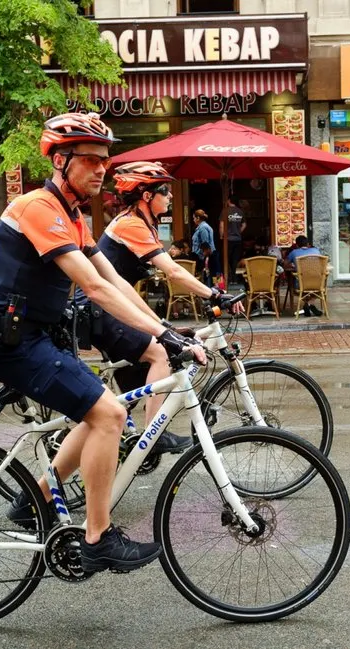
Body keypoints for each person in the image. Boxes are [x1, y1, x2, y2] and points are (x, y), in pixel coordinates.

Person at [0, 112, 204, 574]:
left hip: (35, 335)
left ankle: (34, 497)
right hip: (11, 340)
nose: (102, 169)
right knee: (110, 415)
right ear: (60, 160)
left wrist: (167, 332)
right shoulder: (37, 207)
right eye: (91, 160)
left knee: (99, 408)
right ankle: (98, 538)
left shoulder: (71, 215)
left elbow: (113, 279)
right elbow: (94, 289)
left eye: (105, 160)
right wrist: (160, 336)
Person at [77, 160, 239, 451]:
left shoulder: (141, 224)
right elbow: (173, 271)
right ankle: (153, 435)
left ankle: (118, 435)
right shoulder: (130, 224)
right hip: (99, 310)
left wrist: (162, 324)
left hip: (114, 306)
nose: (172, 196)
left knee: (149, 364)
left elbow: (127, 290)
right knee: (160, 353)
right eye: (165, 191)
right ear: (147, 196)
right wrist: (214, 295)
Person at [285, 235, 324, 317]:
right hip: (317, 283)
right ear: (308, 244)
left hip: (301, 283)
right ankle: (311, 305)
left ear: (297, 245)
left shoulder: (294, 252)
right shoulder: (316, 250)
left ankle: (308, 304)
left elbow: (285, 264)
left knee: (297, 289)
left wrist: (294, 265)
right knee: (321, 289)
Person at [221, 195, 246, 284]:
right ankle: (235, 279)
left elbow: (222, 225)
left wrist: (221, 236)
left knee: (226, 259)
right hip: (237, 239)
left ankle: (228, 278)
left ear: (229, 201)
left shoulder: (225, 211)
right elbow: (244, 225)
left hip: (228, 240)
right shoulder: (240, 212)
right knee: (235, 259)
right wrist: (238, 232)